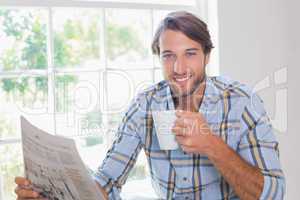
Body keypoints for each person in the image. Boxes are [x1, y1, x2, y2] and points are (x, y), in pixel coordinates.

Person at [15, 11, 285, 200]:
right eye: (169, 56)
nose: (179, 68)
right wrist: (57, 195)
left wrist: (211, 145)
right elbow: (108, 182)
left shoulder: (242, 102)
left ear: (207, 55)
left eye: (190, 54)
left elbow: (272, 193)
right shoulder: (144, 105)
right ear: (160, 58)